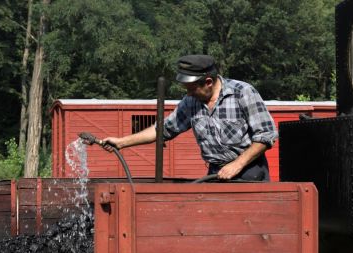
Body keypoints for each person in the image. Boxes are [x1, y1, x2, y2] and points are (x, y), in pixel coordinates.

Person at [102, 54, 278, 181]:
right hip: (215, 173)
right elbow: (163, 130)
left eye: (192, 88)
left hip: (249, 173)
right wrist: (122, 142)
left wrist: (237, 165)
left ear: (208, 82)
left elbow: (266, 135)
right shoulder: (191, 102)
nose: (188, 93)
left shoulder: (242, 93)